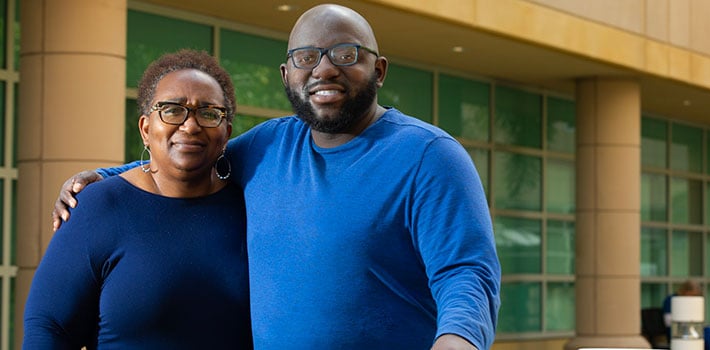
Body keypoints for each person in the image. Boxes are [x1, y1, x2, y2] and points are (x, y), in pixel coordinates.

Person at [51, 4, 500, 349]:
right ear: (287, 75)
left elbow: (467, 274)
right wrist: (102, 177)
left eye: (346, 54)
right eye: (306, 57)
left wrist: (457, 340)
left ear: (378, 70)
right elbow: (191, 157)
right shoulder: (268, 146)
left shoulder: (429, 156)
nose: (324, 69)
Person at [25, 49, 252, 349]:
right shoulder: (99, 205)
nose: (191, 125)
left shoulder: (249, 208)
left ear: (226, 134)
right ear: (146, 129)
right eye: (173, 109)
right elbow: (48, 327)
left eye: (209, 113)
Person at [662, 280, 710, 350]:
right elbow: (670, 325)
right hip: (677, 333)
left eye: (696, 296)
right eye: (693, 295)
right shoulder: (671, 301)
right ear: (685, 291)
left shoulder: (693, 302)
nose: (694, 298)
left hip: (692, 330)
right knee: (707, 333)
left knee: (708, 330)